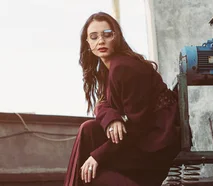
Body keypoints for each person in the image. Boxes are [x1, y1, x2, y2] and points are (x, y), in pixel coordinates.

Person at [64, 12, 181, 186]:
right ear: (87, 43)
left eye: (107, 34)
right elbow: (101, 103)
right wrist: (112, 119)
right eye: (94, 37)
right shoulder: (108, 69)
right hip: (145, 137)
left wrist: (97, 156)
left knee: (88, 173)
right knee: (88, 129)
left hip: (156, 143)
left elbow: (139, 127)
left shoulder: (123, 68)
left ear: (117, 36)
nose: (100, 41)